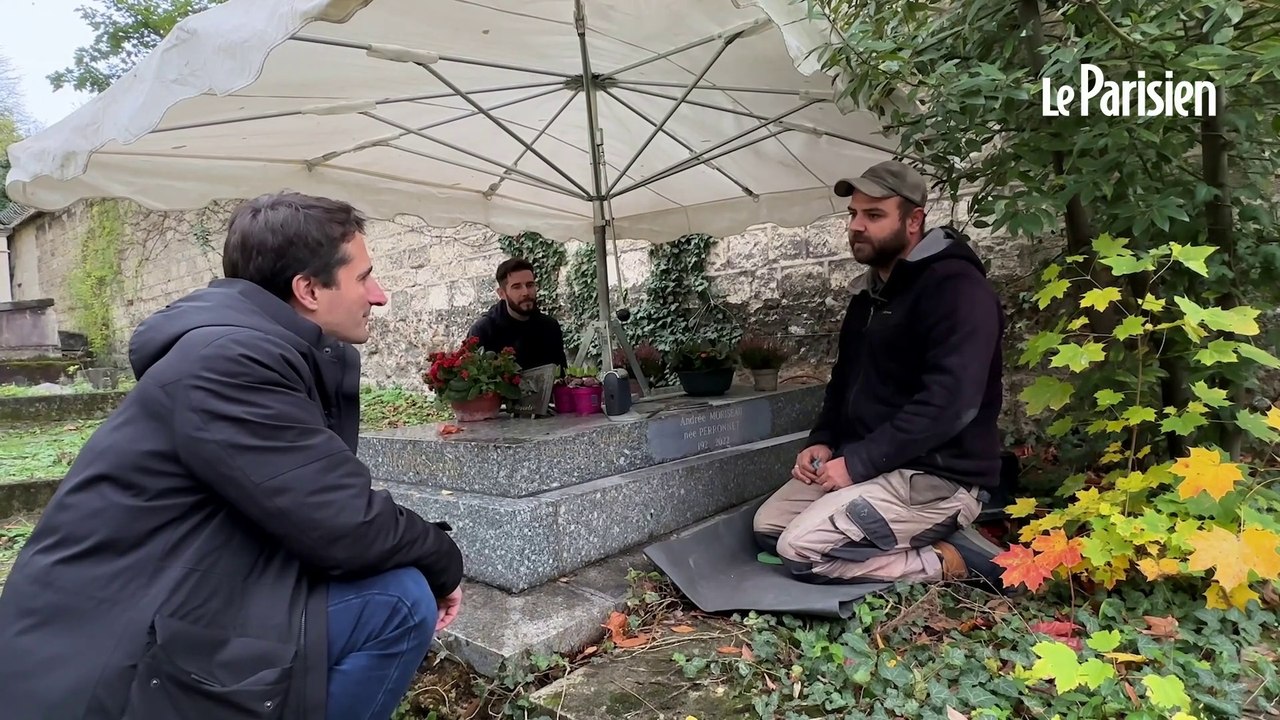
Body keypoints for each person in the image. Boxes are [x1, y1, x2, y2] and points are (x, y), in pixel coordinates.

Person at [0, 193, 465, 720]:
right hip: (104, 657)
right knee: (400, 602)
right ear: (308, 289)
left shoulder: (253, 350)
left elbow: (315, 504)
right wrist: (444, 563)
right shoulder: (229, 361)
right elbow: (345, 524)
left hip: (180, 592)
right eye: (364, 277)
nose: (378, 296)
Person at [753, 160, 1006, 587]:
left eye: (874, 215)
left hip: (938, 477)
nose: (856, 226)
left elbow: (950, 403)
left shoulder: (958, 290)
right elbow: (844, 382)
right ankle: (912, 538)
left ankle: (946, 559)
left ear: (914, 221)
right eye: (853, 214)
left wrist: (857, 463)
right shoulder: (868, 297)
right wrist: (823, 440)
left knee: (801, 553)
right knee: (768, 529)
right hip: (871, 466)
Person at [467, 257, 568, 371]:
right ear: (502, 293)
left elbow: (561, 376)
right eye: (517, 287)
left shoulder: (550, 326)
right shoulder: (483, 330)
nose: (525, 292)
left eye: (530, 285)